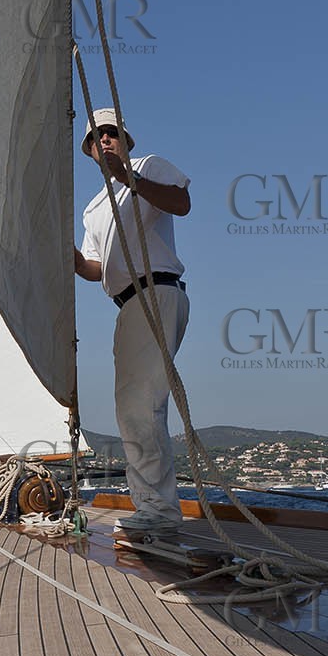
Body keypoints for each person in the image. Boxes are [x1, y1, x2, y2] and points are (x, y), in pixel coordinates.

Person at [73, 108, 191, 542]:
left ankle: (159, 511)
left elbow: (182, 203)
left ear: (125, 138)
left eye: (111, 133)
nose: (104, 139)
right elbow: (95, 266)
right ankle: (155, 507)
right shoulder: (91, 208)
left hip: (156, 292)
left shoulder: (148, 167)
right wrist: (69, 258)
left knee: (140, 405)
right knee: (132, 406)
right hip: (128, 305)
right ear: (88, 150)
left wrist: (128, 179)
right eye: (96, 137)